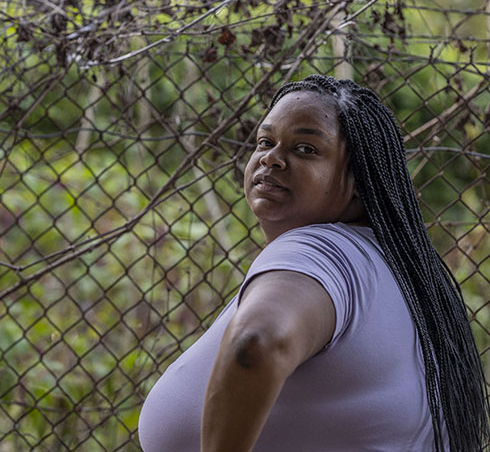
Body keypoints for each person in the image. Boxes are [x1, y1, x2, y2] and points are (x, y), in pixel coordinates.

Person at [138, 75, 489, 452]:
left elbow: (255, 343)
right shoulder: (391, 266)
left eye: (305, 149)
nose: (271, 157)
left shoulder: (319, 252)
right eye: (265, 142)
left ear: (358, 179)